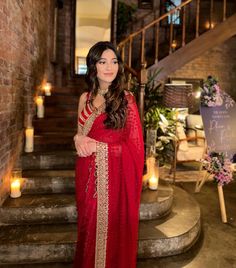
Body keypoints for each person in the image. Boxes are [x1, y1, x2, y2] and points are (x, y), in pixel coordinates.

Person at [73, 41, 144, 268]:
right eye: (103, 61)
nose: (109, 67)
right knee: (88, 228)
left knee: (107, 232)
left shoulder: (126, 100)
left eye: (114, 61)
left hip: (112, 182)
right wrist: (77, 139)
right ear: (93, 66)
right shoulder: (84, 98)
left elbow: (135, 148)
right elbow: (81, 133)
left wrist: (100, 148)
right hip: (86, 176)